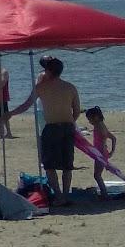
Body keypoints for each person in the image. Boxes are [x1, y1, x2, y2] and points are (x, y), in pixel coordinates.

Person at [8, 54, 82, 205]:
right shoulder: (70, 87)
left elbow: (26, 105)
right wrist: (69, 121)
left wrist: (10, 113)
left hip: (52, 128)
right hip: (68, 127)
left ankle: (59, 196)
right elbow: (76, 111)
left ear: (48, 71)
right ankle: (65, 195)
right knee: (67, 165)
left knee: (49, 165)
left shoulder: (41, 87)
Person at [83, 106, 119, 199]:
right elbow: (113, 138)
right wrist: (111, 152)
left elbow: (103, 142)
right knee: (97, 175)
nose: (89, 122)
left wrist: (103, 158)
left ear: (95, 117)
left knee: (97, 175)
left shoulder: (99, 127)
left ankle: (104, 194)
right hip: (101, 153)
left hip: (101, 154)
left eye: (89, 119)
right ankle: (104, 194)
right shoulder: (101, 125)